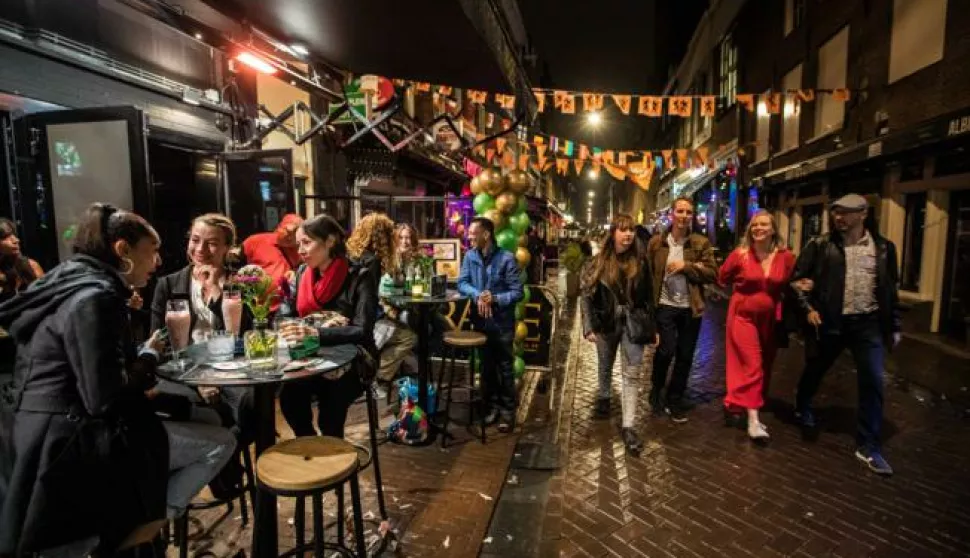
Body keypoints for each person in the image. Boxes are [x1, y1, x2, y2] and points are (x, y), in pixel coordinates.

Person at [0, 203, 233, 557]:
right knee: (220, 442)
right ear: (123, 251)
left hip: (37, 434)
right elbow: (103, 398)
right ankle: (144, 528)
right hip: (70, 447)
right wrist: (149, 357)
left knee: (206, 419)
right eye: (152, 252)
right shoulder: (95, 297)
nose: (157, 262)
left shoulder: (73, 281)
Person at [790, 194, 901, 476]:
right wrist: (808, 308)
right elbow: (796, 281)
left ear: (863, 214)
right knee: (816, 368)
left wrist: (894, 325)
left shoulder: (885, 248)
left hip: (868, 323)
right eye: (836, 212)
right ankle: (803, 404)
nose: (839, 218)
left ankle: (869, 445)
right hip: (831, 321)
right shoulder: (820, 245)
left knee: (873, 380)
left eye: (846, 213)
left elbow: (890, 290)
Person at [151, 213, 255, 440]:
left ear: (228, 247)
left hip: (230, 370)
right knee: (197, 407)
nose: (201, 249)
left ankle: (232, 457)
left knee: (250, 403)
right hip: (185, 370)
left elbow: (246, 336)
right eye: (195, 240)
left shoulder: (242, 284)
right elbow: (160, 341)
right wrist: (197, 380)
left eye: (212, 243)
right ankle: (225, 463)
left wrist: (216, 293)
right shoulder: (168, 285)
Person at [278, 214, 378, 437]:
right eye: (298, 244)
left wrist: (315, 333)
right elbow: (289, 311)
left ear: (330, 241)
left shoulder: (359, 276)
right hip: (311, 356)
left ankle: (337, 462)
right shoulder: (303, 273)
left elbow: (362, 330)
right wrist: (285, 320)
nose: (301, 250)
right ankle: (311, 446)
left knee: (330, 411)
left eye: (307, 242)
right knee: (289, 397)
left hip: (354, 360)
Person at [580, 214, 658, 455]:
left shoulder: (641, 262)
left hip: (633, 324)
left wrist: (653, 328)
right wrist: (588, 326)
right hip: (605, 323)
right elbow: (586, 295)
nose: (628, 234)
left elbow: (648, 298)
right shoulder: (596, 263)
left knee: (631, 374)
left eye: (631, 230)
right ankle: (604, 395)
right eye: (623, 230)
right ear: (613, 232)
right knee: (605, 363)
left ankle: (629, 426)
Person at [718, 210, 795, 443]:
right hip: (742, 315)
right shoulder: (740, 255)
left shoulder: (786, 257)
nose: (758, 229)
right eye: (754, 225)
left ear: (773, 229)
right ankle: (753, 420)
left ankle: (736, 400)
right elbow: (722, 277)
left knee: (765, 363)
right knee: (754, 364)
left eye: (763, 225)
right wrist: (738, 289)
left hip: (770, 318)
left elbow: (789, 283)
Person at [646, 197, 717, 423]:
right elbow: (648, 275)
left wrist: (687, 267)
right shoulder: (657, 243)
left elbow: (712, 273)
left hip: (690, 308)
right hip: (665, 306)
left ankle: (675, 398)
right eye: (680, 211)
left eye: (688, 212)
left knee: (685, 356)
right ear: (672, 214)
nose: (684, 216)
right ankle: (656, 391)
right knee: (666, 350)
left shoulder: (700, 243)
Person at [457, 217, 523, 432]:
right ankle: (491, 409)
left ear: (486, 234)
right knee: (486, 368)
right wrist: (478, 295)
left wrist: (493, 298)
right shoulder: (469, 256)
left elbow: (517, 293)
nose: (469, 236)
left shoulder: (506, 259)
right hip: (481, 322)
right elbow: (462, 283)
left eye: (473, 233)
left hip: (502, 323)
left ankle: (507, 413)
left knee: (505, 368)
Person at [241, 213, 303, 286]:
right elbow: (235, 271)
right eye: (288, 232)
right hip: (255, 295)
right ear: (279, 227)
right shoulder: (255, 241)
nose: (290, 237)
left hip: (287, 296)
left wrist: (295, 274)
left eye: (295, 234)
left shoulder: (301, 249)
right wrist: (252, 280)